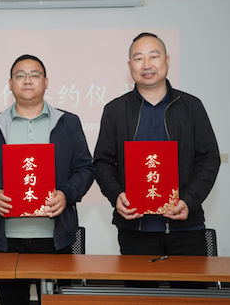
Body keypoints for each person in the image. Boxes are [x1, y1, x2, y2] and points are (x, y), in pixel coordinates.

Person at [0, 54, 95, 304]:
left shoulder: (68, 123)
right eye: (20, 75)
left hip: (57, 238)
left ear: (46, 82)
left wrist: (66, 194)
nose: (27, 80)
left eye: (35, 75)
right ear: (10, 83)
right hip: (7, 239)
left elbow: (85, 168)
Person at [93, 33, 220, 281]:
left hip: (187, 226)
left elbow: (208, 158)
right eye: (138, 58)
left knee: (190, 299)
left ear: (167, 60)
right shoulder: (115, 110)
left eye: (154, 56)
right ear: (130, 66)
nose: (147, 64)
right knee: (141, 297)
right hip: (135, 230)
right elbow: (103, 162)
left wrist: (189, 200)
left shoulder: (191, 107)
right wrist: (116, 194)